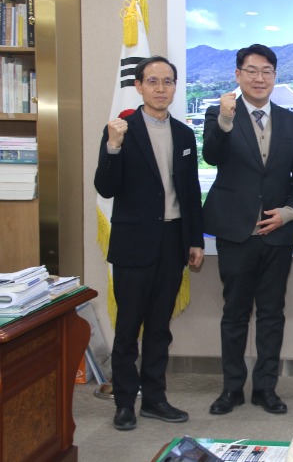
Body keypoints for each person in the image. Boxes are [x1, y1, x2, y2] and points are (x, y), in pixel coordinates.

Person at [94, 56, 205, 431]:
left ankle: (156, 399)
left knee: (159, 328)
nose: (161, 88)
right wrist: (112, 146)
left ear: (175, 87)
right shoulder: (121, 129)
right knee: (128, 328)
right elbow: (106, 187)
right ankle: (125, 403)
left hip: (173, 241)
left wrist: (195, 240)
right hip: (134, 244)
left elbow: (190, 192)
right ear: (138, 86)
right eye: (153, 81)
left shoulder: (185, 134)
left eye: (167, 81)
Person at [203, 44, 293, 415]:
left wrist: (290, 212)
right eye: (251, 70)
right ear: (238, 75)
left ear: (275, 76)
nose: (259, 78)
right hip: (235, 231)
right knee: (234, 313)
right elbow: (212, 156)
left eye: (266, 71)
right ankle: (231, 389)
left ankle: (266, 388)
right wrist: (225, 120)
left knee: (271, 314)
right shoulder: (220, 113)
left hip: (277, 233)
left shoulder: (292, 122)